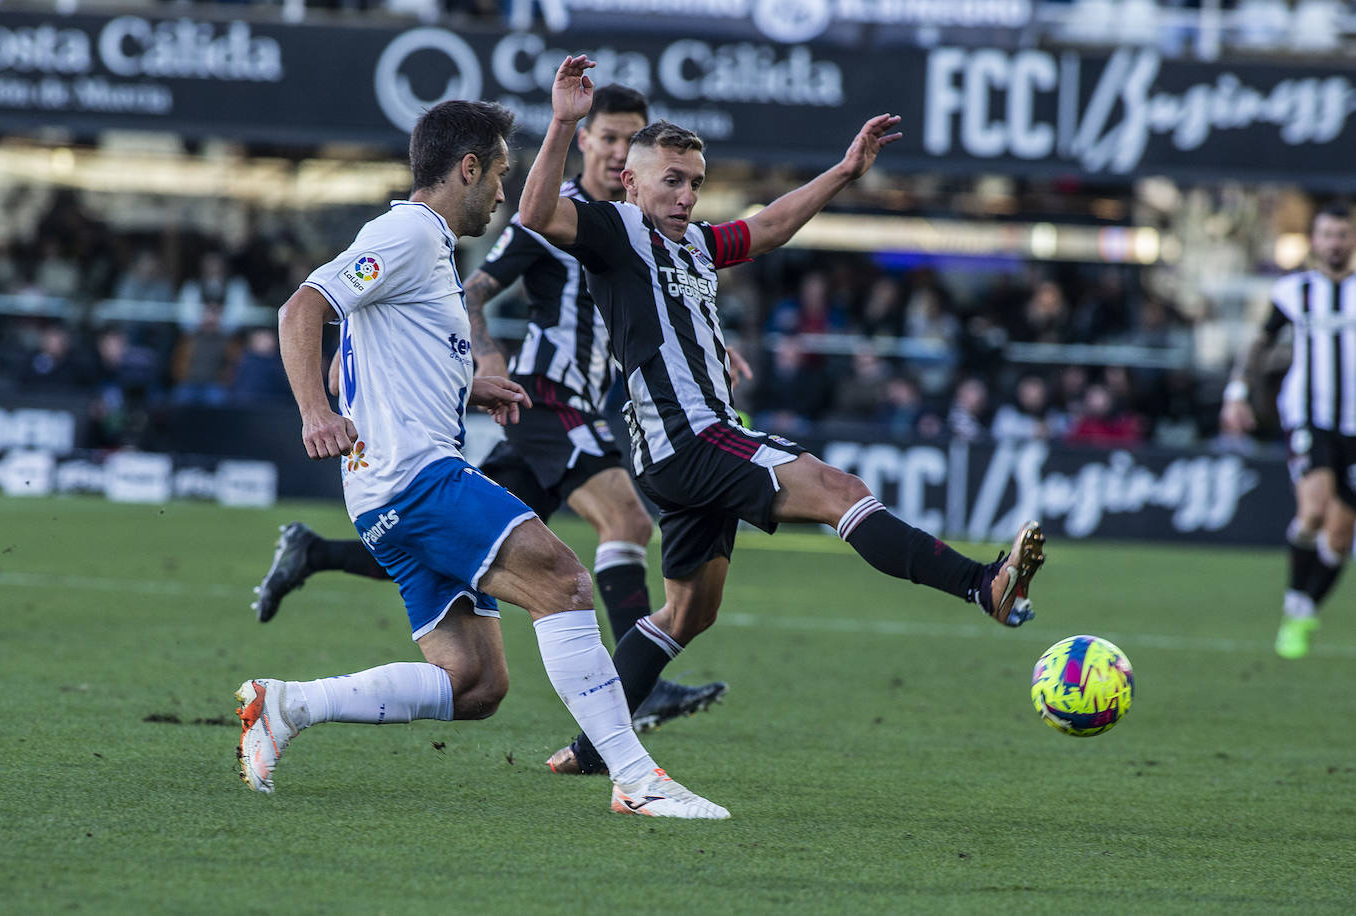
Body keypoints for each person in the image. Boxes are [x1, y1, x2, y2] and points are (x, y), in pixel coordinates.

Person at [520, 56, 1046, 775]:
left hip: (681, 450)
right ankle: (982, 585)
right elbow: (536, 216)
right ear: (629, 180)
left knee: (688, 615)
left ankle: (589, 751)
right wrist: (561, 123)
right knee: (840, 491)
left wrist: (844, 172)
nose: (686, 195)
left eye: (695, 182)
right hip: (691, 437)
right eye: (672, 180)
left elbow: (767, 227)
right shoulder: (615, 230)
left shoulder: (695, 245)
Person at [237, 98, 727, 819]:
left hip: (386, 490)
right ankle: (636, 779)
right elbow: (301, 308)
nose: (503, 192)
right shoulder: (406, 231)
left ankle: (286, 706)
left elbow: (363, 362)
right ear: (467, 169)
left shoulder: (429, 248)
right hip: (415, 478)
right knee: (563, 580)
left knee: (475, 683)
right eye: (499, 174)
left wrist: (468, 383)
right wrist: (314, 412)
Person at [1220, 202, 1356, 659]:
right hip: (1308, 416)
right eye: (1327, 234)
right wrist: (1237, 392)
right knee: (1314, 511)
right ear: (1314, 240)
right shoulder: (1294, 290)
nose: (1334, 243)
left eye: (1342, 234)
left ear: (1352, 239)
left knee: (1340, 537)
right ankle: (1295, 600)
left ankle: (1303, 608)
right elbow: (1260, 343)